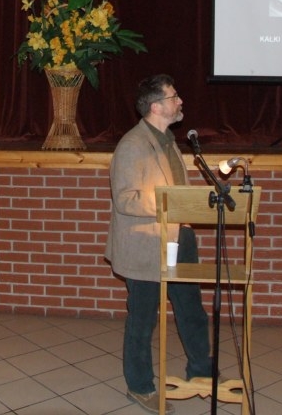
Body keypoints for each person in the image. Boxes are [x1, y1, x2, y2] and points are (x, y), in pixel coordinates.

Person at [105, 74, 213, 414]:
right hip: (145, 244)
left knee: (192, 311)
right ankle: (140, 386)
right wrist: (171, 203)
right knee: (143, 319)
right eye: (173, 96)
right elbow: (125, 199)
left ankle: (201, 372)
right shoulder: (132, 145)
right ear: (155, 106)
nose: (180, 101)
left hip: (181, 237)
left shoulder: (170, 140)